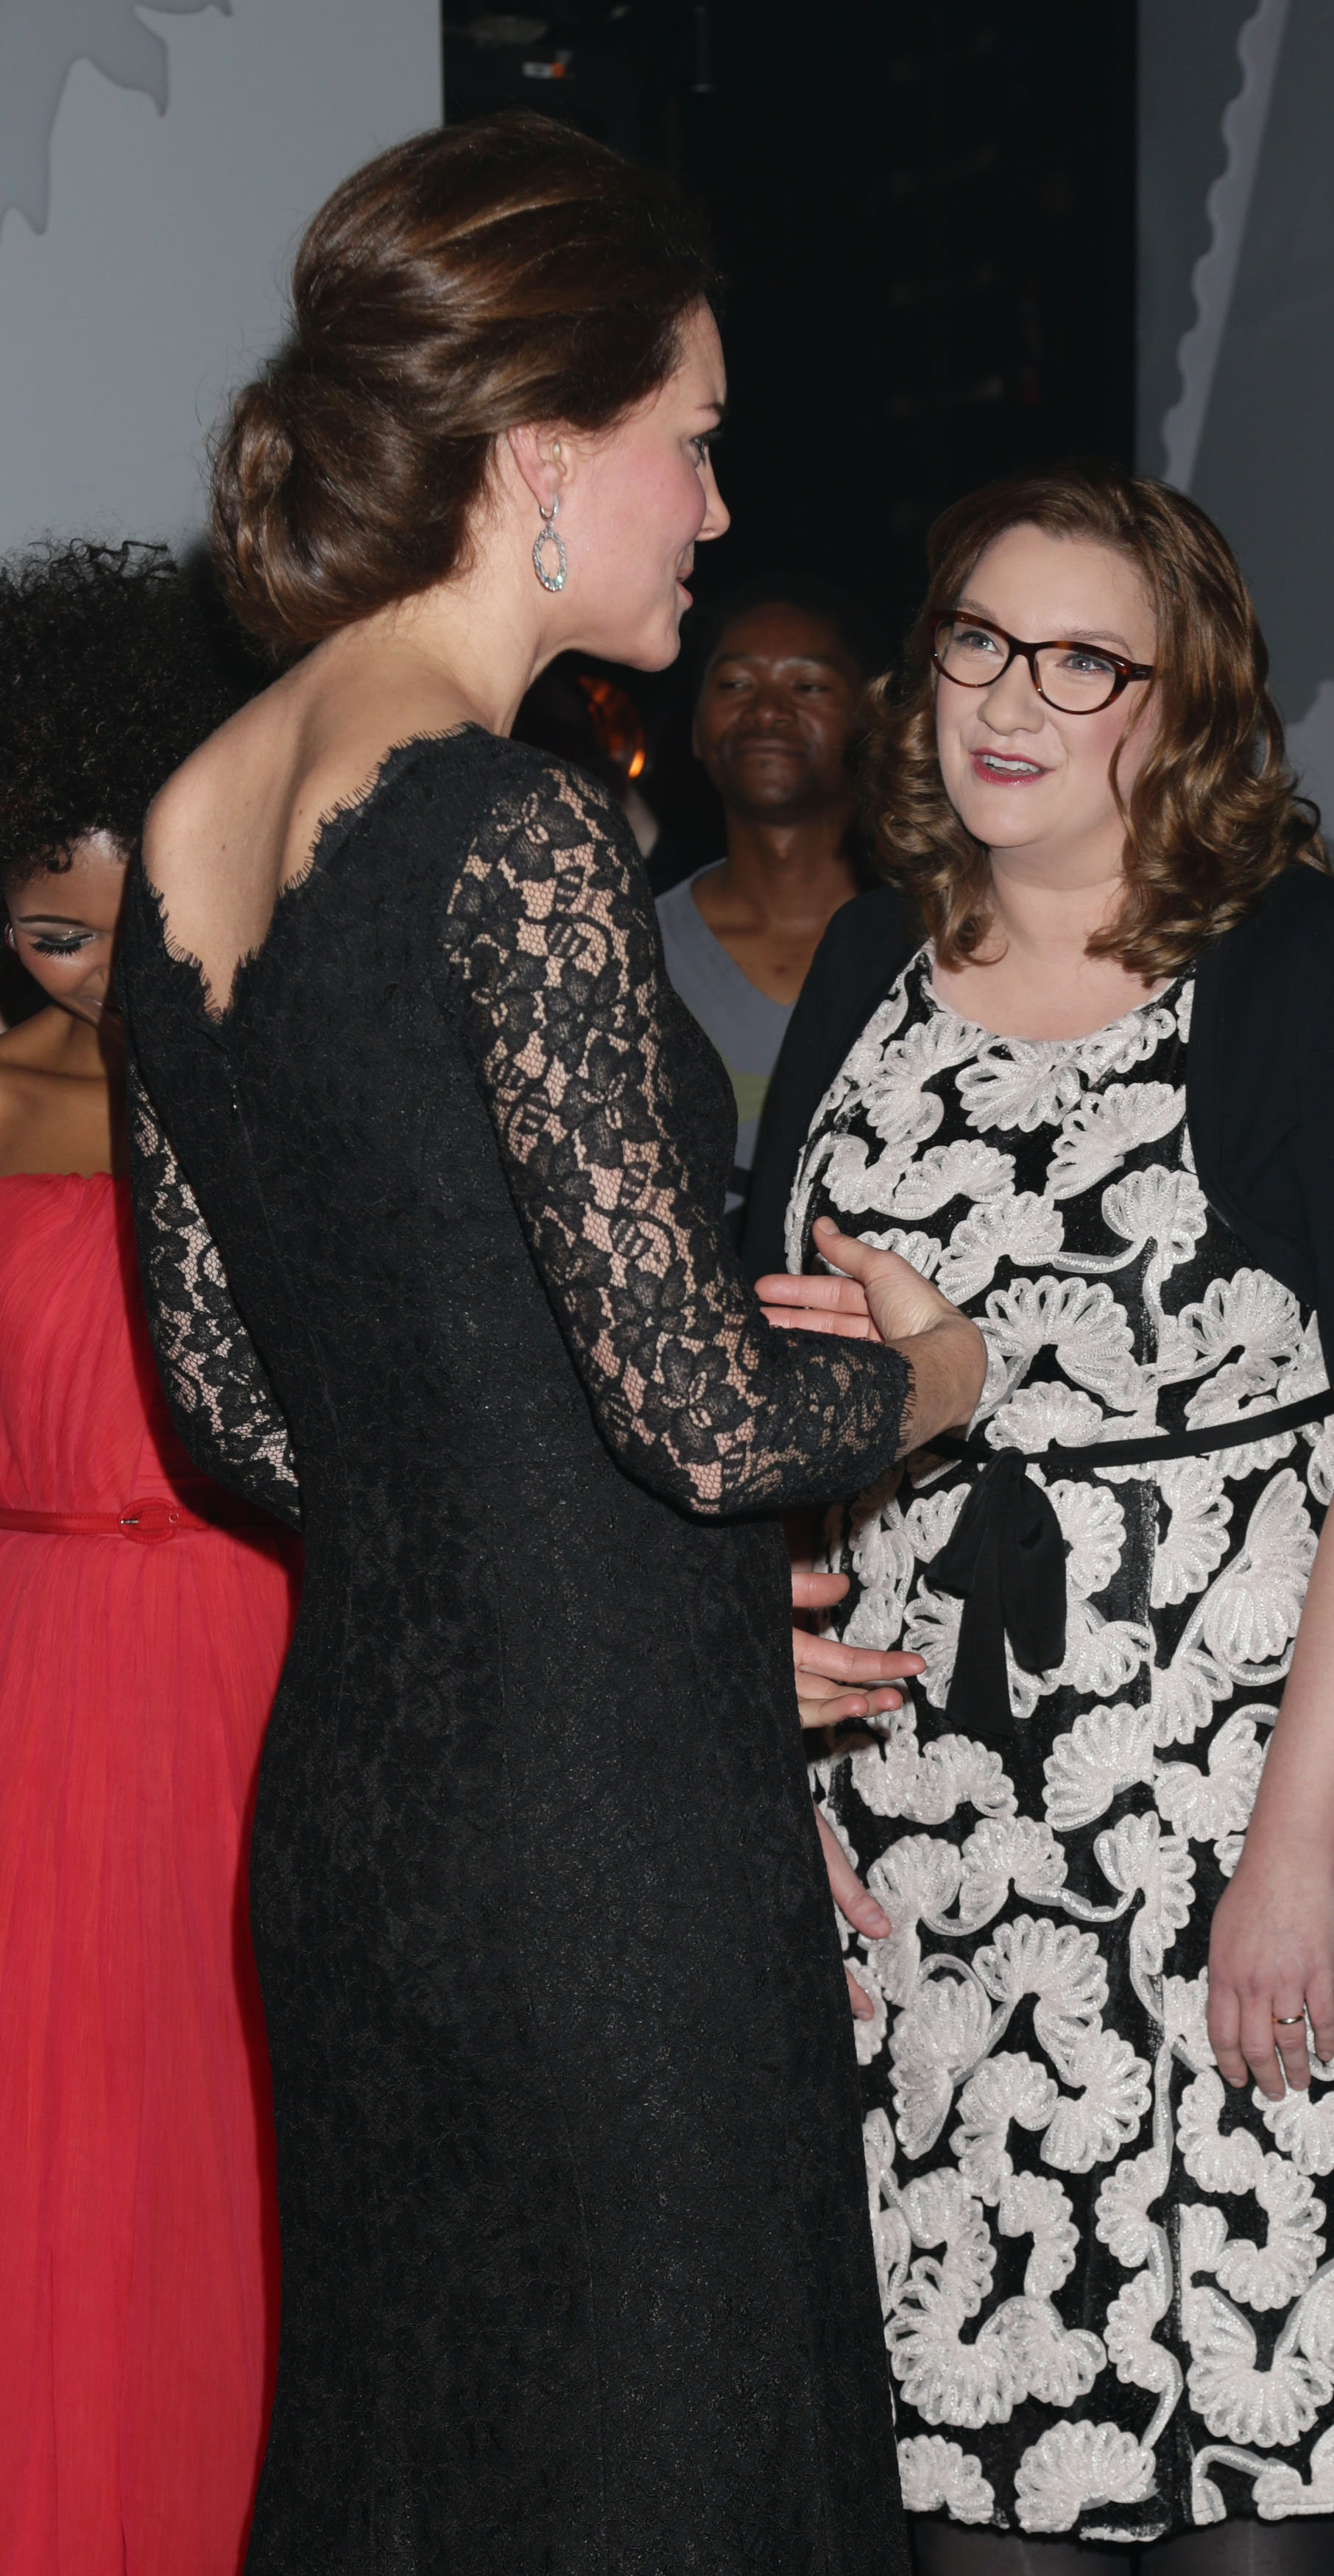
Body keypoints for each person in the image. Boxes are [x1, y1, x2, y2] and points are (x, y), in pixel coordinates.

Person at [117, 114, 985, 2575]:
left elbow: (246, 1401)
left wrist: (625, 1604)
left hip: (366, 1828)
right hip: (592, 1856)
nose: (715, 511)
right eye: (692, 441)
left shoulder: (190, 811)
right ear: (540, 452)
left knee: (420, 2481)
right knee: (660, 2484)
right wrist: (941, 1370)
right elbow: (707, 1407)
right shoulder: (518, 834)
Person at [746, 462, 1334, 2569]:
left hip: (1220, 1796)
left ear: (1184, 703)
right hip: (924, 1827)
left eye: (1082, 660)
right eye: (978, 636)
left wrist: (1282, 1861)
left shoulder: (1300, 969)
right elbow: (773, 1377)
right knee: (970, 2470)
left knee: (1246, 2471)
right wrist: (761, 1679)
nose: (1010, 696)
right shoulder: (873, 952)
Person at [0, 540, 299, 2575]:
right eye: (45, 935)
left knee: (233, 2151)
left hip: (249, 1645)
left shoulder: (292, 1083)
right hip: (30, 1655)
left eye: (130, 935)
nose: (94, 984)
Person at [654, 575, 880, 1202]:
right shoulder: (630, 950)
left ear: (870, 724)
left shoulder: (930, 949)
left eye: (808, 686)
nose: (768, 711)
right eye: (735, 685)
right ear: (697, 729)